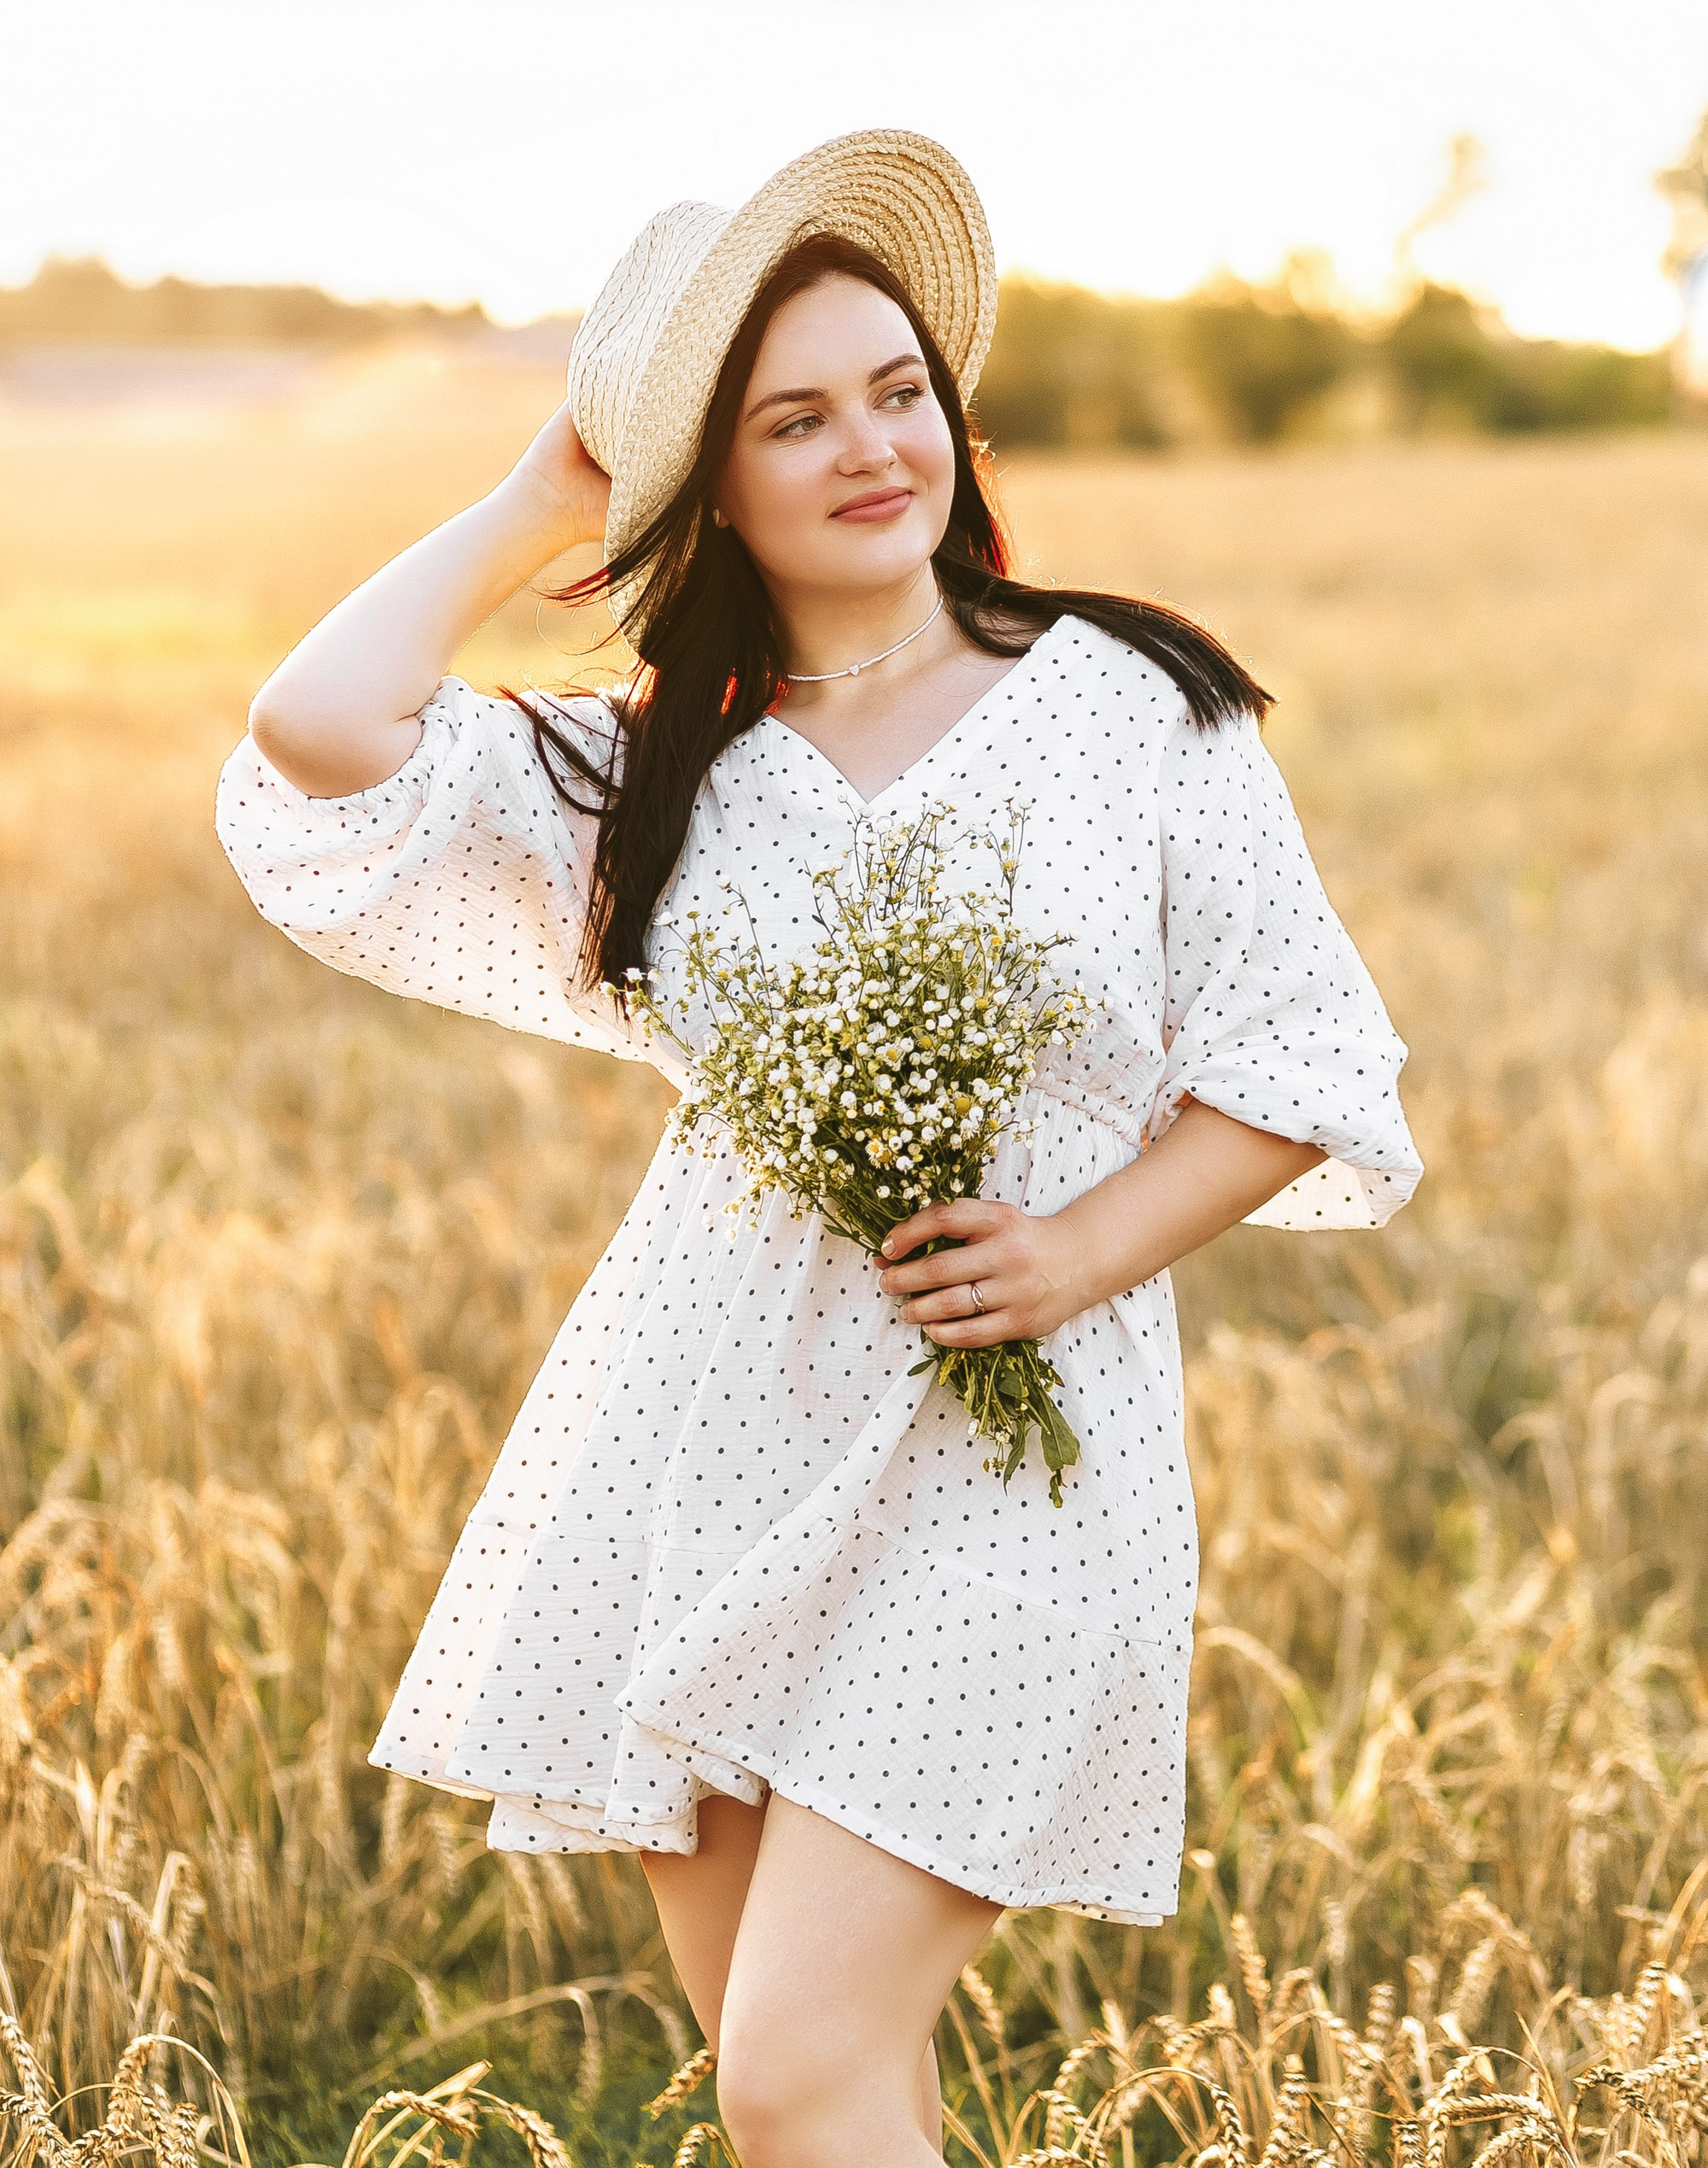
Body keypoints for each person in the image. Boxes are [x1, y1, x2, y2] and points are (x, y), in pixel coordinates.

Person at [215, 129, 1422, 2168]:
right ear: (712, 481)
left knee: (795, 2068)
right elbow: (318, 732)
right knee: (807, 2104)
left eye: (897, 392)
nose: (874, 447)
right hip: (704, 1431)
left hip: (1015, 1445)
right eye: (792, 420)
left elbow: (1306, 1059)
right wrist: (547, 496)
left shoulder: (1131, 700)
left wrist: (1072, 1254)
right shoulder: (651, 761)